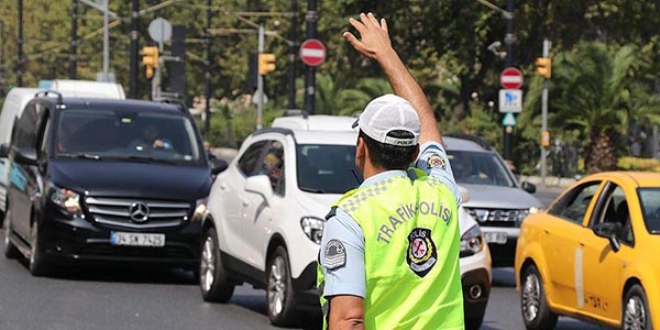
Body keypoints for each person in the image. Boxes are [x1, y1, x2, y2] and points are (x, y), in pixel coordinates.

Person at [317, 13, 464, 330]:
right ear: (414, 153)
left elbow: (348, 319)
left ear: (361, 146)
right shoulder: (442, 192)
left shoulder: (350, 218)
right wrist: (387, 54)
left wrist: (382, 54)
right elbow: (428, 127)